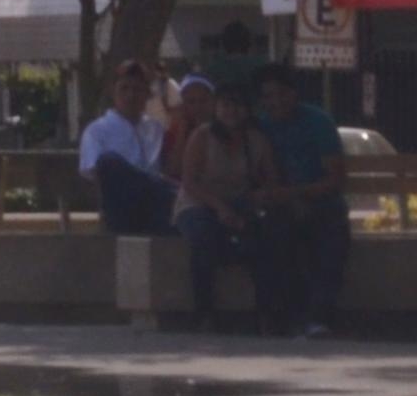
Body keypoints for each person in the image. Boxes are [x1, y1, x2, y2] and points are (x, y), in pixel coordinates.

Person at [172, 79, 289, 329]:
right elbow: (190, 182)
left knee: (269, 235)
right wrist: (220, 208)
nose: (231, 112)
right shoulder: (202, 136)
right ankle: (204, 312)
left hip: (241, 203)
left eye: (237, 106)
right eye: (225, 105)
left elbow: (272, 181)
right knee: (204, 237)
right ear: (217, 108)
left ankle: (266, 313)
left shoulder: (257, 140)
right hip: (199, 204)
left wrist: (260, 197)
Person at [253, 64, 349, 336]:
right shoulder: (261, 126)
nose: (277, 102)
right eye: (268, 97)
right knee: (275, 238)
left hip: (323, 203)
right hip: (281, 207)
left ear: (295, 94)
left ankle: (319, 318)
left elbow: (336, 180)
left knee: (331, 238)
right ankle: (286, 318)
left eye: (282, 94)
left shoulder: (318, 122)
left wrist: (298, 195)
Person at [76, 58, 178, 239]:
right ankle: (165, 191)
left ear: (147, 94)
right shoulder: (97, 130)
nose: (131, 96)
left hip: (156, 208)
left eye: (137, 89)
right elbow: (98, 175)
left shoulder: (155, 128)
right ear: (113, 92)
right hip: (121, 209)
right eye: (124, 89)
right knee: (109, 162)